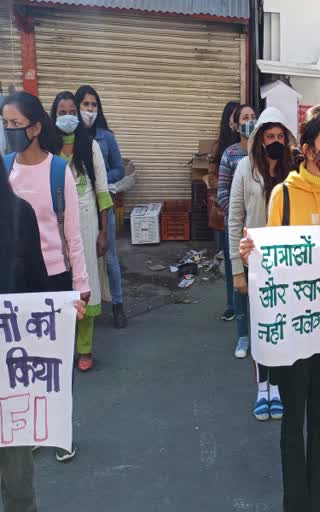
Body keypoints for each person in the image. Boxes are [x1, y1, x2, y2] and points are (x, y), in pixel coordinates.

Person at [239, 105, 320, 512]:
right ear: (305, 148)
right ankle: (296, 503)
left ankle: (316, 502)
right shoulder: (283, 195)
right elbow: (269, 259)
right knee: (294, 422)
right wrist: (250, 255)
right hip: (294, 329)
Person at [3, 91, 89, 462]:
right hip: (13, 281)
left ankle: (60, 431)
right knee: (21, 361)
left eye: (16, 125)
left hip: (54, 280)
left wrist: (81, 286)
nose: (9, 131)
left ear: (36, 128)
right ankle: (31, 427)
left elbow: (73, 234)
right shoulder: (5, 169)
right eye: (5, 125)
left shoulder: (59, 171)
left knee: (56, 361)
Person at [0, 157, 87, 512]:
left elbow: (37, 289)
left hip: (9, 373)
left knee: (18, 483)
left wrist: (63, 310)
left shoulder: (17, 214)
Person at [229, 106, 293, 421]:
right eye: (270, 136)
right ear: (260, 139)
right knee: (260, 328)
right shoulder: (244, 168)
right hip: (254, 263)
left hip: (287, 264)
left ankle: (277, 387)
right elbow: (234, 220)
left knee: (280, 329)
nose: (276, 141)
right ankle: (262, 388)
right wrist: (237, 271)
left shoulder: (294, 169)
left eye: (281, 136)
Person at [51, 91, 112, 374]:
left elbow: (102, 190)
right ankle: (62, 346)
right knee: (59, 284)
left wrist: (103, 231)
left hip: (87, 223)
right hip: (54, 226)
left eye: (71, 112)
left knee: (84, 285)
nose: (67, 117)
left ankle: (84, 349)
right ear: (53, 116)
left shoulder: (91, 146)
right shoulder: (47, 147)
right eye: (61, 112)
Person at [75, 85, 127, 329]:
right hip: (77, 208)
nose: (90, 110)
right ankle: (82, 307)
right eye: (85, 105)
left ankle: (117, 305)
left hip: (102, 206)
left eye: (94, 105)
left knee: (109, 258)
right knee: (79, 260)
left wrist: (101, 177)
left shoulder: (106, 137)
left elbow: (120, 168)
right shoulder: (67, 140)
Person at [218, 104, 257, 358]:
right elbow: (221, 192)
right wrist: (237, 211)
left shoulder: (262, 154)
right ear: (236, 125)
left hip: (260, 232)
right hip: (238, 229)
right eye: (245, 118)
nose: (250, 121)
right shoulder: (230, 155)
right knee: (240, 285)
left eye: (254, 117)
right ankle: (242, 335)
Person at [212, 101, 242, 322]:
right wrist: (233, 212)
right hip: (231, 216)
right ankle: (232, 304)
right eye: (234, 117)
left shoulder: (255, 147)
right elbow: (220, 186)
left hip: (253, 219)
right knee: (233, 261)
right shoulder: (225, 150)